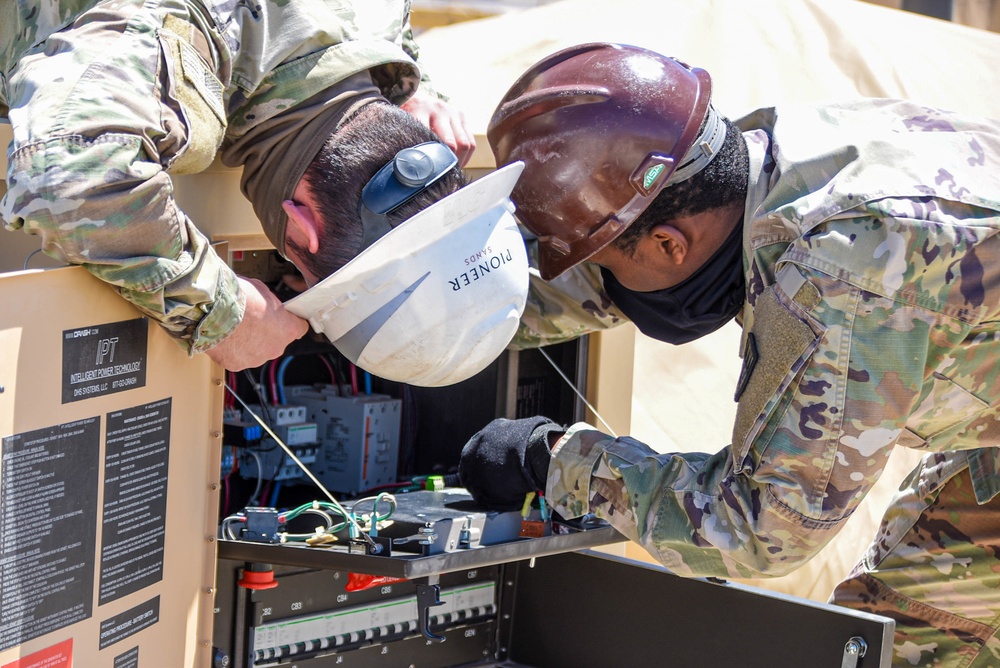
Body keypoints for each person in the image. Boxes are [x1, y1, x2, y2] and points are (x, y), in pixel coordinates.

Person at [459, 42, 1000, 666]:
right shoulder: (743, 163)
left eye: (605, 262)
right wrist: (446, 321)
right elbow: (615, 273)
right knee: (912, 639)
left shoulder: (834, 272)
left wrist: (557, 461)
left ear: (667, 243)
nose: (601, 281)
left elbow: (760, 529)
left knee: (901, 646)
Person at [0, 0, 474, 371]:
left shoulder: (384, 15)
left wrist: (413, 87)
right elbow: (66, 173)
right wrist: (218, 309)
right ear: (301, 226)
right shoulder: (180, 40)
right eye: (305, 269)